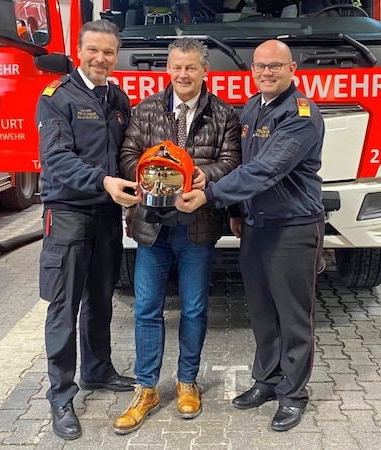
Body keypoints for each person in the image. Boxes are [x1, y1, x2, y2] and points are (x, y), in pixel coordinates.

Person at [176, 39, 324, 432]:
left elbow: (265, 171)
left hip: (292, 227)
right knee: (260, 311)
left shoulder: (301, 115)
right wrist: (238, 211)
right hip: (256, 227)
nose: (267, 72)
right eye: (260, 66)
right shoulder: (254, 107)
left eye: (275, 66)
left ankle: (293, 394)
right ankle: (267, 381)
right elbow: (244, 163)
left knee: (293, 316)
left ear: (293, 69)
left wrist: (208, 195)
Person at [112, 37, 242, 434]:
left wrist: (203, 178)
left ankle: (188, 382)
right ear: (168, 70)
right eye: (176, 67)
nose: (183, 75)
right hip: (151, 227)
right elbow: (128, 155)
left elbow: (232, 161)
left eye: (191, 67)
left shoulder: (224, 115)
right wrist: (153, 171)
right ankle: (146, 388)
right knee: (147, 309)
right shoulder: (145, 109)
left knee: (195, 309)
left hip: (198, 227)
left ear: (205, 70)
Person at [35, 19, 141, 441]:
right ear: (80, 51)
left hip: (106, 215)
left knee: (100, 299)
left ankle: (98, 371)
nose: (101, 58)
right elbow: (56, 158)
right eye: (93, 50)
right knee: (63, 307)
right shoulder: (56, 98)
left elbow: (126, 153)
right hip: (68, 215)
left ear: (117, 55)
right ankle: (61, 394)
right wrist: (103, 182)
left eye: (109, 52)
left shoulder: (117, 97)